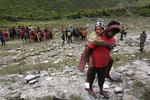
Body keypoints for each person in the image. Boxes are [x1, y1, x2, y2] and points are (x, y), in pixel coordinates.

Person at [86, 21, 120, 99]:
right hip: (95, 63)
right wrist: (89, 60)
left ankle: (101, 90)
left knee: (102, 78)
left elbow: (111, 47)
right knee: (90, 78)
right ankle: (88, 88)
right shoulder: (98, 39)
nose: (113, 35)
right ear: (108, 30)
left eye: (115, 34)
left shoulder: (113, 39)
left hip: (104, 63)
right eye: (112, 32)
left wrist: (112, 46)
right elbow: (88, 48)